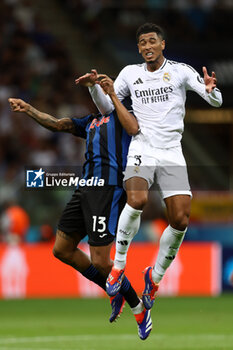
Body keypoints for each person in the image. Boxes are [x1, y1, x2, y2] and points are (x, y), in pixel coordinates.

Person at [77, 22, 223, 310]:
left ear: (162, 44)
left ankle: (153, 279)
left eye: (151, 41)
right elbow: (107, 107)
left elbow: (214, 100)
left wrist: (212, 91)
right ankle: (118, 267)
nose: (147, 46)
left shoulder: (180, 71)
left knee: (180, 220)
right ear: (139, 48)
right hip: (142, 146)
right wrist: (95, 87)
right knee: (137, 199)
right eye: (142, 42)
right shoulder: (130, 74)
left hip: (171, 151)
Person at [8, 77, 153, 340]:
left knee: (100, 260)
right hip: (84, 188)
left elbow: (134, 129)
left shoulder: (126, 117)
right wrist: (28, 109)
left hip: (107, 190)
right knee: (61, 249)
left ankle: (138, 307)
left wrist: (108, 93)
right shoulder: (91, 121)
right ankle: (114, 292)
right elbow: (57, 124)